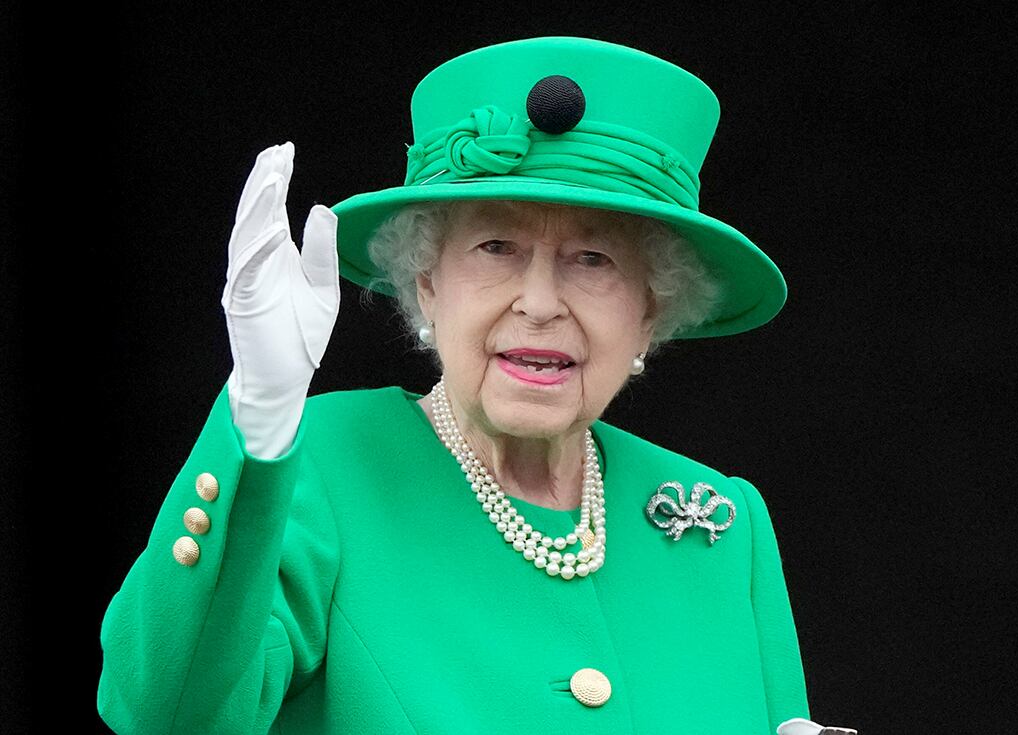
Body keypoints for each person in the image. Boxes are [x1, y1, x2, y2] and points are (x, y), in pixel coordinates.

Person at [96, 36, 857, 735]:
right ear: (427, 285)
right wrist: (258, 418)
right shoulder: (321, 466)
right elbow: (167, 714)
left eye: (593, 259)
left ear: (651, 310)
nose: (539, 301)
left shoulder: (721, 523)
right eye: (496, 246)